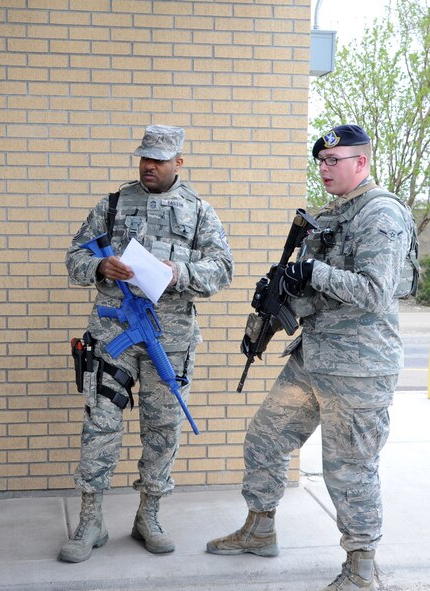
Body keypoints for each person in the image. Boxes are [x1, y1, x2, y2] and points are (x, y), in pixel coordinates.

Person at [206, 124, 417, 591]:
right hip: (313, 357)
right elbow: (316, 293)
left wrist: (312, 271)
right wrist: (279, 301)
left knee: (348, 468)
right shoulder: (332, 215)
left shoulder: (381, 214)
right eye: (320, 161)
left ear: (361, 162)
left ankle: (362, 567)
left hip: (359, 369)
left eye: (333, 160)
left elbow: (376, 291)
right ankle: (260, 530)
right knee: (264, 438)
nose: (323, 168)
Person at [60, 124, 233, 563]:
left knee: (162, 428)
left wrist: (179, 273)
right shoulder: (113, 204)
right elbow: (74, 256)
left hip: (169, 341)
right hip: (113, 334)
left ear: (179, 161)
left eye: (158, 159)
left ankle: (148, 515)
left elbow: (222, 270)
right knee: (99, 425)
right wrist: (101, 267)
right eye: (143, 157)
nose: (148, 166)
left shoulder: (199, 211)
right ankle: (90, 520)